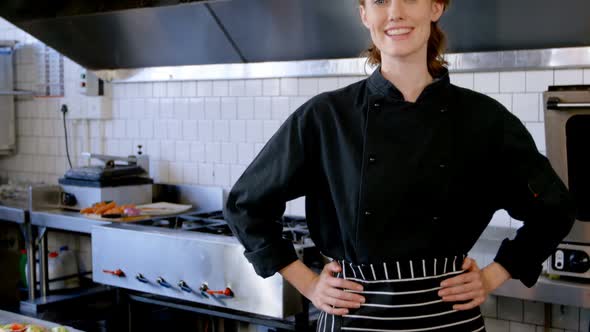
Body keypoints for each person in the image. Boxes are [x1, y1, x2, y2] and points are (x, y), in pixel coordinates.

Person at [223, 0, 576, 330]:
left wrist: (494, 274)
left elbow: (554, 209)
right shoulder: (326, 117)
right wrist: (310, 284)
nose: (394, 12)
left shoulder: (483, 120)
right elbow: (246, 203)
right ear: (364, 14)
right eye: (379, 0)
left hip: (446, 318)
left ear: (436, 6)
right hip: (354, 317)